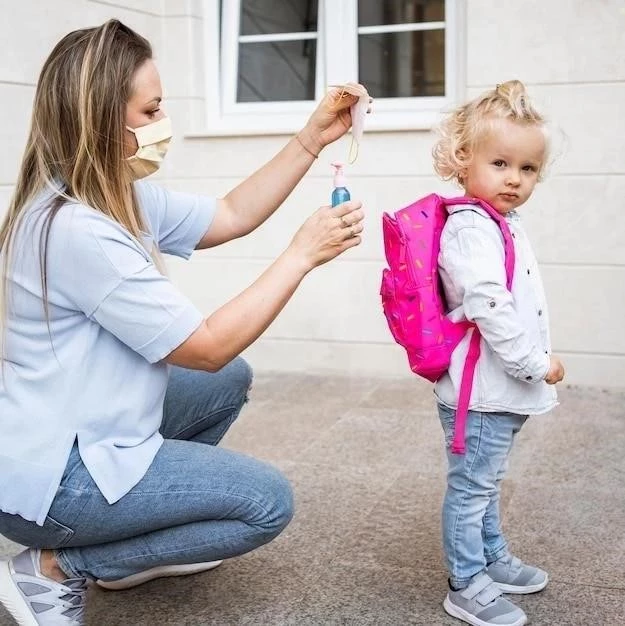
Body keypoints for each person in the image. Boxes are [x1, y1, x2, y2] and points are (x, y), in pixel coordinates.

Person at [0, 19, 368, 625]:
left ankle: (129, 544)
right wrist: (301, 254)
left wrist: (311, 140)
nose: (161, 122)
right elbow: (205, 346)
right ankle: (57, 567)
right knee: (263, 503)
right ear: (100, 119)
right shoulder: (77, 230)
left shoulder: (109, 193)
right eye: (150, 110)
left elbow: (229, 215)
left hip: (79, 428)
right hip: (52, 481)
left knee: (229, 384)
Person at [431, 80, 565, 626]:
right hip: (481, 390)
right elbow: (489, 304)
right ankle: (466, 582)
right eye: (501, 163)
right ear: (463, 160)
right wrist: (535, 364)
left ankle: (491, 558)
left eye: (528, 169)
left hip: (496, 385)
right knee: (471, 488)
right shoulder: (470, 228)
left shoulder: (497, 220)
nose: (514, 178)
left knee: (486, 481)